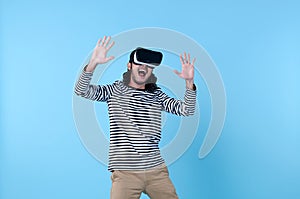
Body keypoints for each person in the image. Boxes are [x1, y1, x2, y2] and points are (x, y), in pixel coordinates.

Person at [74, 36, 197, 199]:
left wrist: (189, 83)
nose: (143, 68)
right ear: (129, 66)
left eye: (149, 66)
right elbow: (81, 90)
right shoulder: (114, 90)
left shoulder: (157, 95)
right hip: (126, 173)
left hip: (156, 171)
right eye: (139, 64)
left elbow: (186, 110)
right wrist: (93, 63)